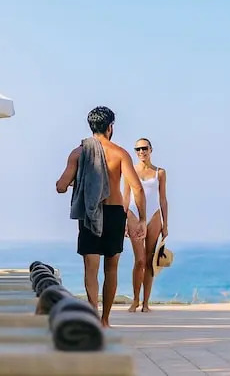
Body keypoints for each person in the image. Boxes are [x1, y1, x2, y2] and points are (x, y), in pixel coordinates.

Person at [56, 106, 145, 328]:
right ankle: (105, 320)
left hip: (89, 213)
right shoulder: (120, 153)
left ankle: (93, 317)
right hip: (114, 214)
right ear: (110, 127)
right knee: (111, 269)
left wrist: (81, 182)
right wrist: (142, 219)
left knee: (91, 268)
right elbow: (137, 188)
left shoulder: (78, 153)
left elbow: (60, 186)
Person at [124, 137, 169, 313]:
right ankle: (135, 300)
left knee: (150, 260)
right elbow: (126, 196)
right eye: (138, 149)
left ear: (151, 149)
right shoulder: (130, 171)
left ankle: (146, 303)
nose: (141, 152)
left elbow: (163, 199)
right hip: (134, 216)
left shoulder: (160, 173)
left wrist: (165, 224)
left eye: (144, 148)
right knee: (139, 260)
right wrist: (123, 221)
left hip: (154, 216)